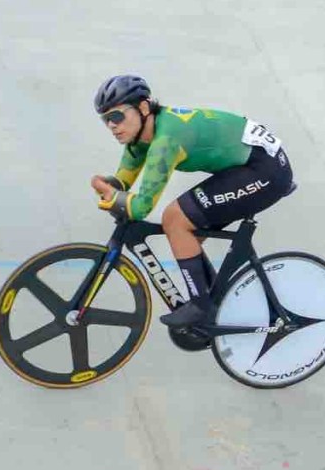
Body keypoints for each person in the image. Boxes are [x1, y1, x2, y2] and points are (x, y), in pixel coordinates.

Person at [90, 75, 294, 326]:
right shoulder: (141, 137)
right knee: (188, 237)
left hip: (265, 171)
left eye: (117, 116)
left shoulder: (166, 140)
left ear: (143, 108)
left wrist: (113, 197)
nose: (112, 125)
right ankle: (215, 305)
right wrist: (110, 187)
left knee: (175, 219)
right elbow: (122, 183)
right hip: (250, 163)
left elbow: (141, 207)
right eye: (106, 120)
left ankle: (201, 307)